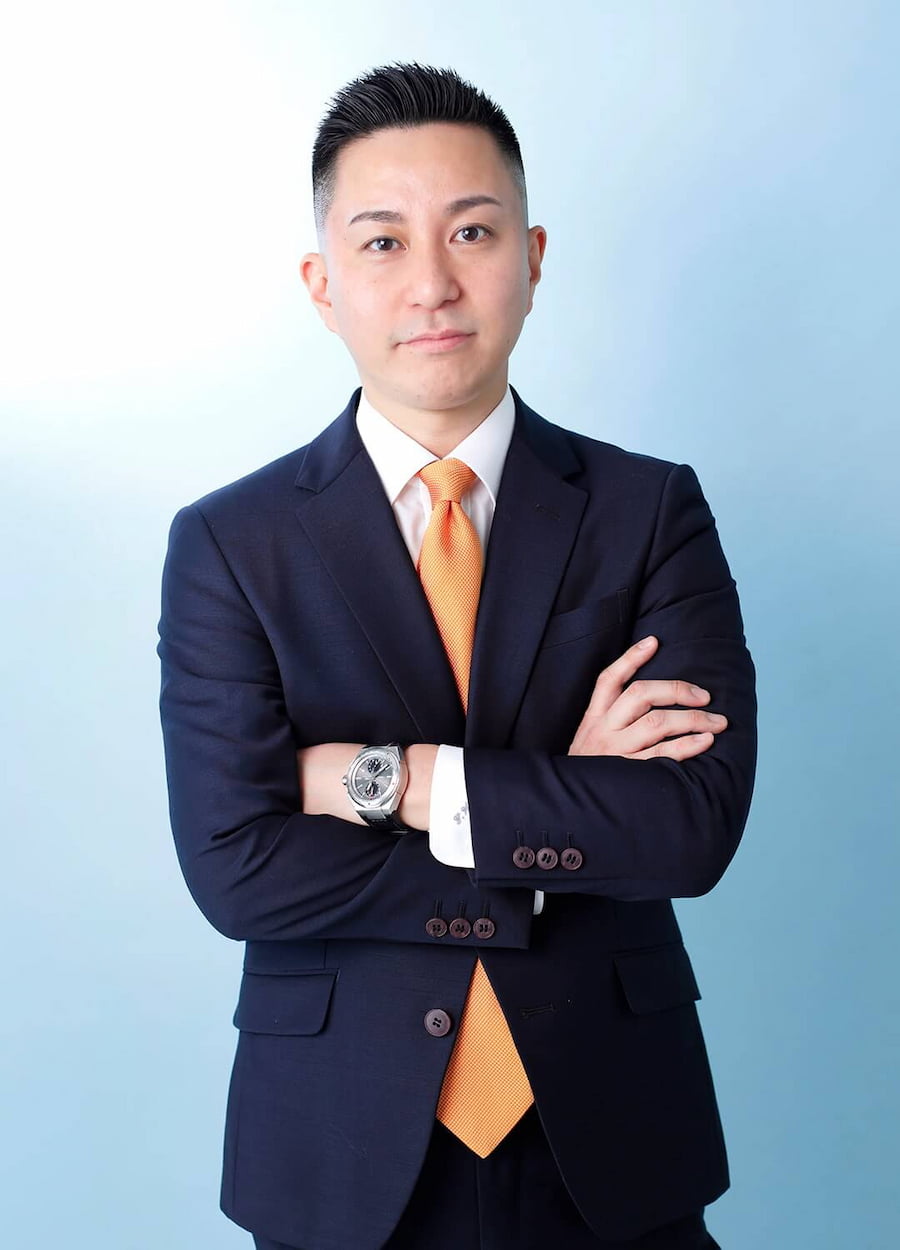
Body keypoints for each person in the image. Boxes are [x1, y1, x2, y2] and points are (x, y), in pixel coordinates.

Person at [157, 61, 756, 1250]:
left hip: (615, 1132)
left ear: (532, 258)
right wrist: (561, 815)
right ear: (323, 284)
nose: (433, 281)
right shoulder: (231, 542)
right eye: (383, 242)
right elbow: (237, 866)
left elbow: (690, 827)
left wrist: (387, 780)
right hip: (339, 1144)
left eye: (472, 232)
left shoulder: (649, 512)